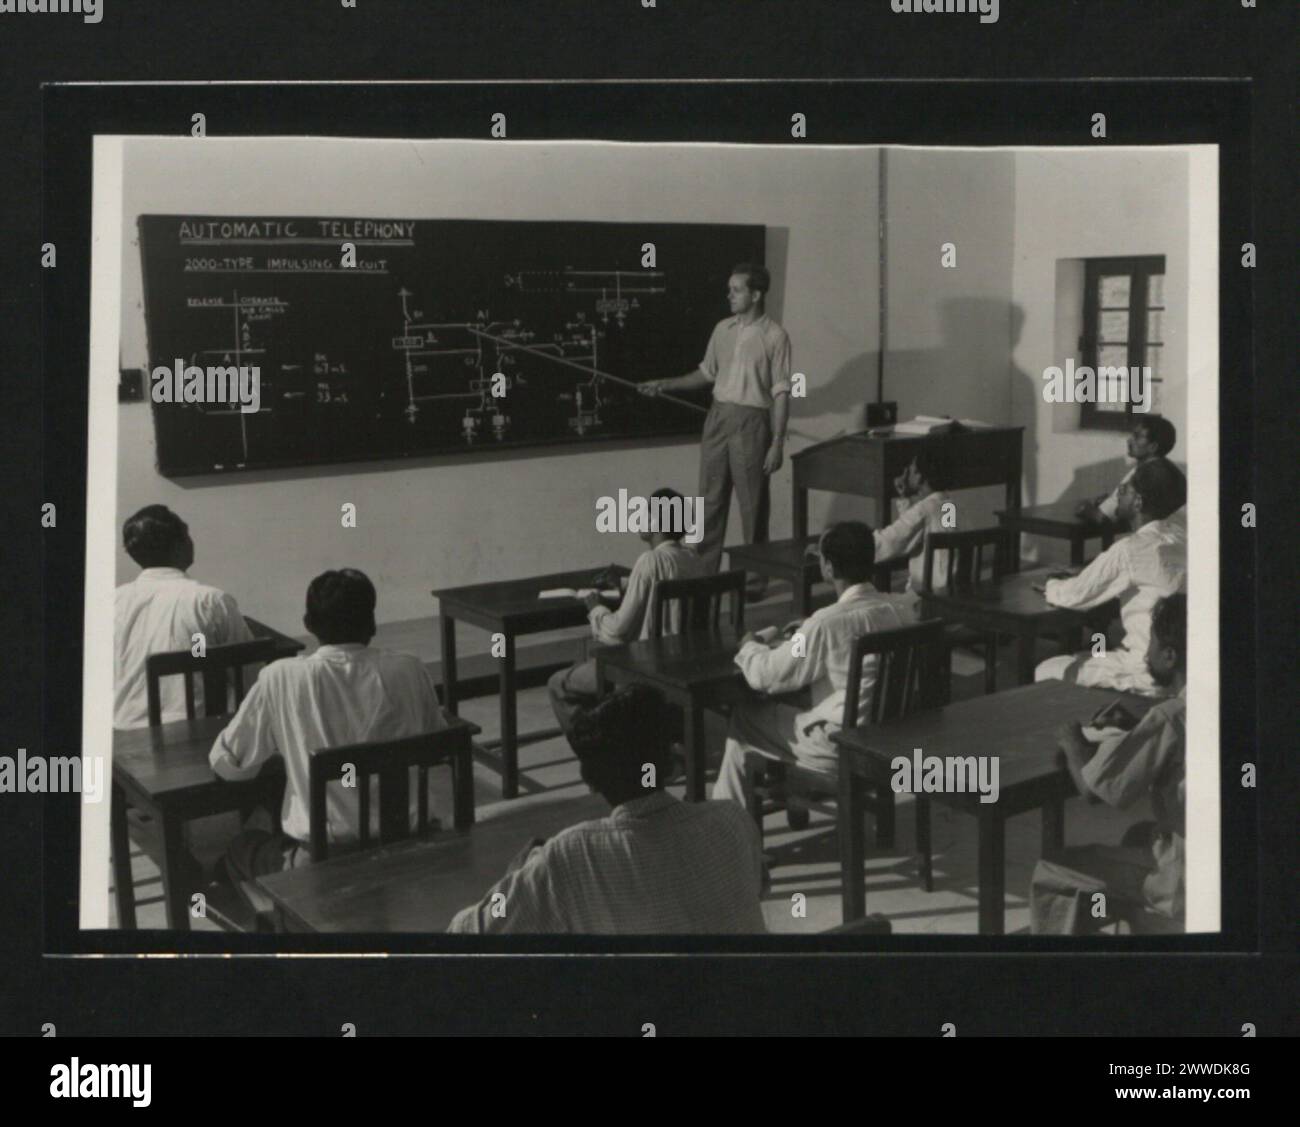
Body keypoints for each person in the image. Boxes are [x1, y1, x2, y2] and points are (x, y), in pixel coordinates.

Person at [447, 684, 766, 934]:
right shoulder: (732, 820)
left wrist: (515, 878)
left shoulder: (572, 854)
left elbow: (471, 931)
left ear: (591, 780)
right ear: (672, 763)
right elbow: (757, 886)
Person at [209, 568, 445, 882]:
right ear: (372, 623)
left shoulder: (280, 677)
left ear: (308, 625)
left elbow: (231, 762)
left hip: (326, 865)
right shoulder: (410, 669)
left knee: (242, 846)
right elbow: (436, 745)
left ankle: (282, 917)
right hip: (411, 848)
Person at [713, 521, 908, 810]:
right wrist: (809, 630)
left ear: (828, 568)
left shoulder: (825, 624)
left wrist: (749, 646)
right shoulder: (898, 609)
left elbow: (768, 675)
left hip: (839, 745)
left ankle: (728, 829)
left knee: (744, 717)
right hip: (886, 738)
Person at [1030, 593, 1187, 934]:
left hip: (1183, 882)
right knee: (1137, 834)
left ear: (1171, 656)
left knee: (1056, 866)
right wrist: (1139, 731)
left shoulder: (1168, 717)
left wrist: (1072, 740)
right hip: (1223, 868)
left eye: (1152, 646)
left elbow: (1092, 791)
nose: (1146, 655)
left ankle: (1052, 970)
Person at [639, 263, 792, 599]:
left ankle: (754, 581)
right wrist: (665, 384)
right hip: (718, 419)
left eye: (736, 290)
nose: (729, 295)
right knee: (710, 501)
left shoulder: (775, 336)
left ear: (756, 294)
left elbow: (782, 391)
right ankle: (704, 577)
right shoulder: (722, 329)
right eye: (729, 289)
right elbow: (706, 374)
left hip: (753, 423)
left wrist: (777, 443)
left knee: (752, 505)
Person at [547, 487, 708, 742]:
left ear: (656, 522)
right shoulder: (694, 559)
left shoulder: (649, 561)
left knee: (559, 684)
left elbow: (618, 630)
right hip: (683, 662)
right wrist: (627, 584)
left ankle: (597, 754)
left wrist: (595, 608)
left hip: (648, 668)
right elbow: (666, 581)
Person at [1035, 457, 1186, 695]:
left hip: (1149, 672)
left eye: (1124, 490)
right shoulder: (1182, 536)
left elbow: (1074, 595)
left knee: (1047, 669)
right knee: (1091, 655)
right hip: (1183, 671)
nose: (1118, 494)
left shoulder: (1130, 548)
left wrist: (1050, 584)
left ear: (1138, 502)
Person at [114, 504, 254, 729]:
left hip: (122, 730)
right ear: (180, 546)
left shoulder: (114, 601)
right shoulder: (210, 601)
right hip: (191, 730)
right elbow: (249, 675)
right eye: (187, 536)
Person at [872, 446, 952, 601]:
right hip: (952, 591)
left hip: (927, 597)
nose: (906, 472)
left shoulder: (923, 510)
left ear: (920, 477)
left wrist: (847, 543)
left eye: (911, 469)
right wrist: (904, 498)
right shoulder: (949, 504)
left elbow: (887, 543)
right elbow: (918, 528)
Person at [1075, 414, 1177, 525]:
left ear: (1153, 446)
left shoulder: (1140, 474)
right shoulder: (1172, 470)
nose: (1129, 440)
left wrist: (1085, 506)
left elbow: (1102, 517)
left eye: (1137, 437)